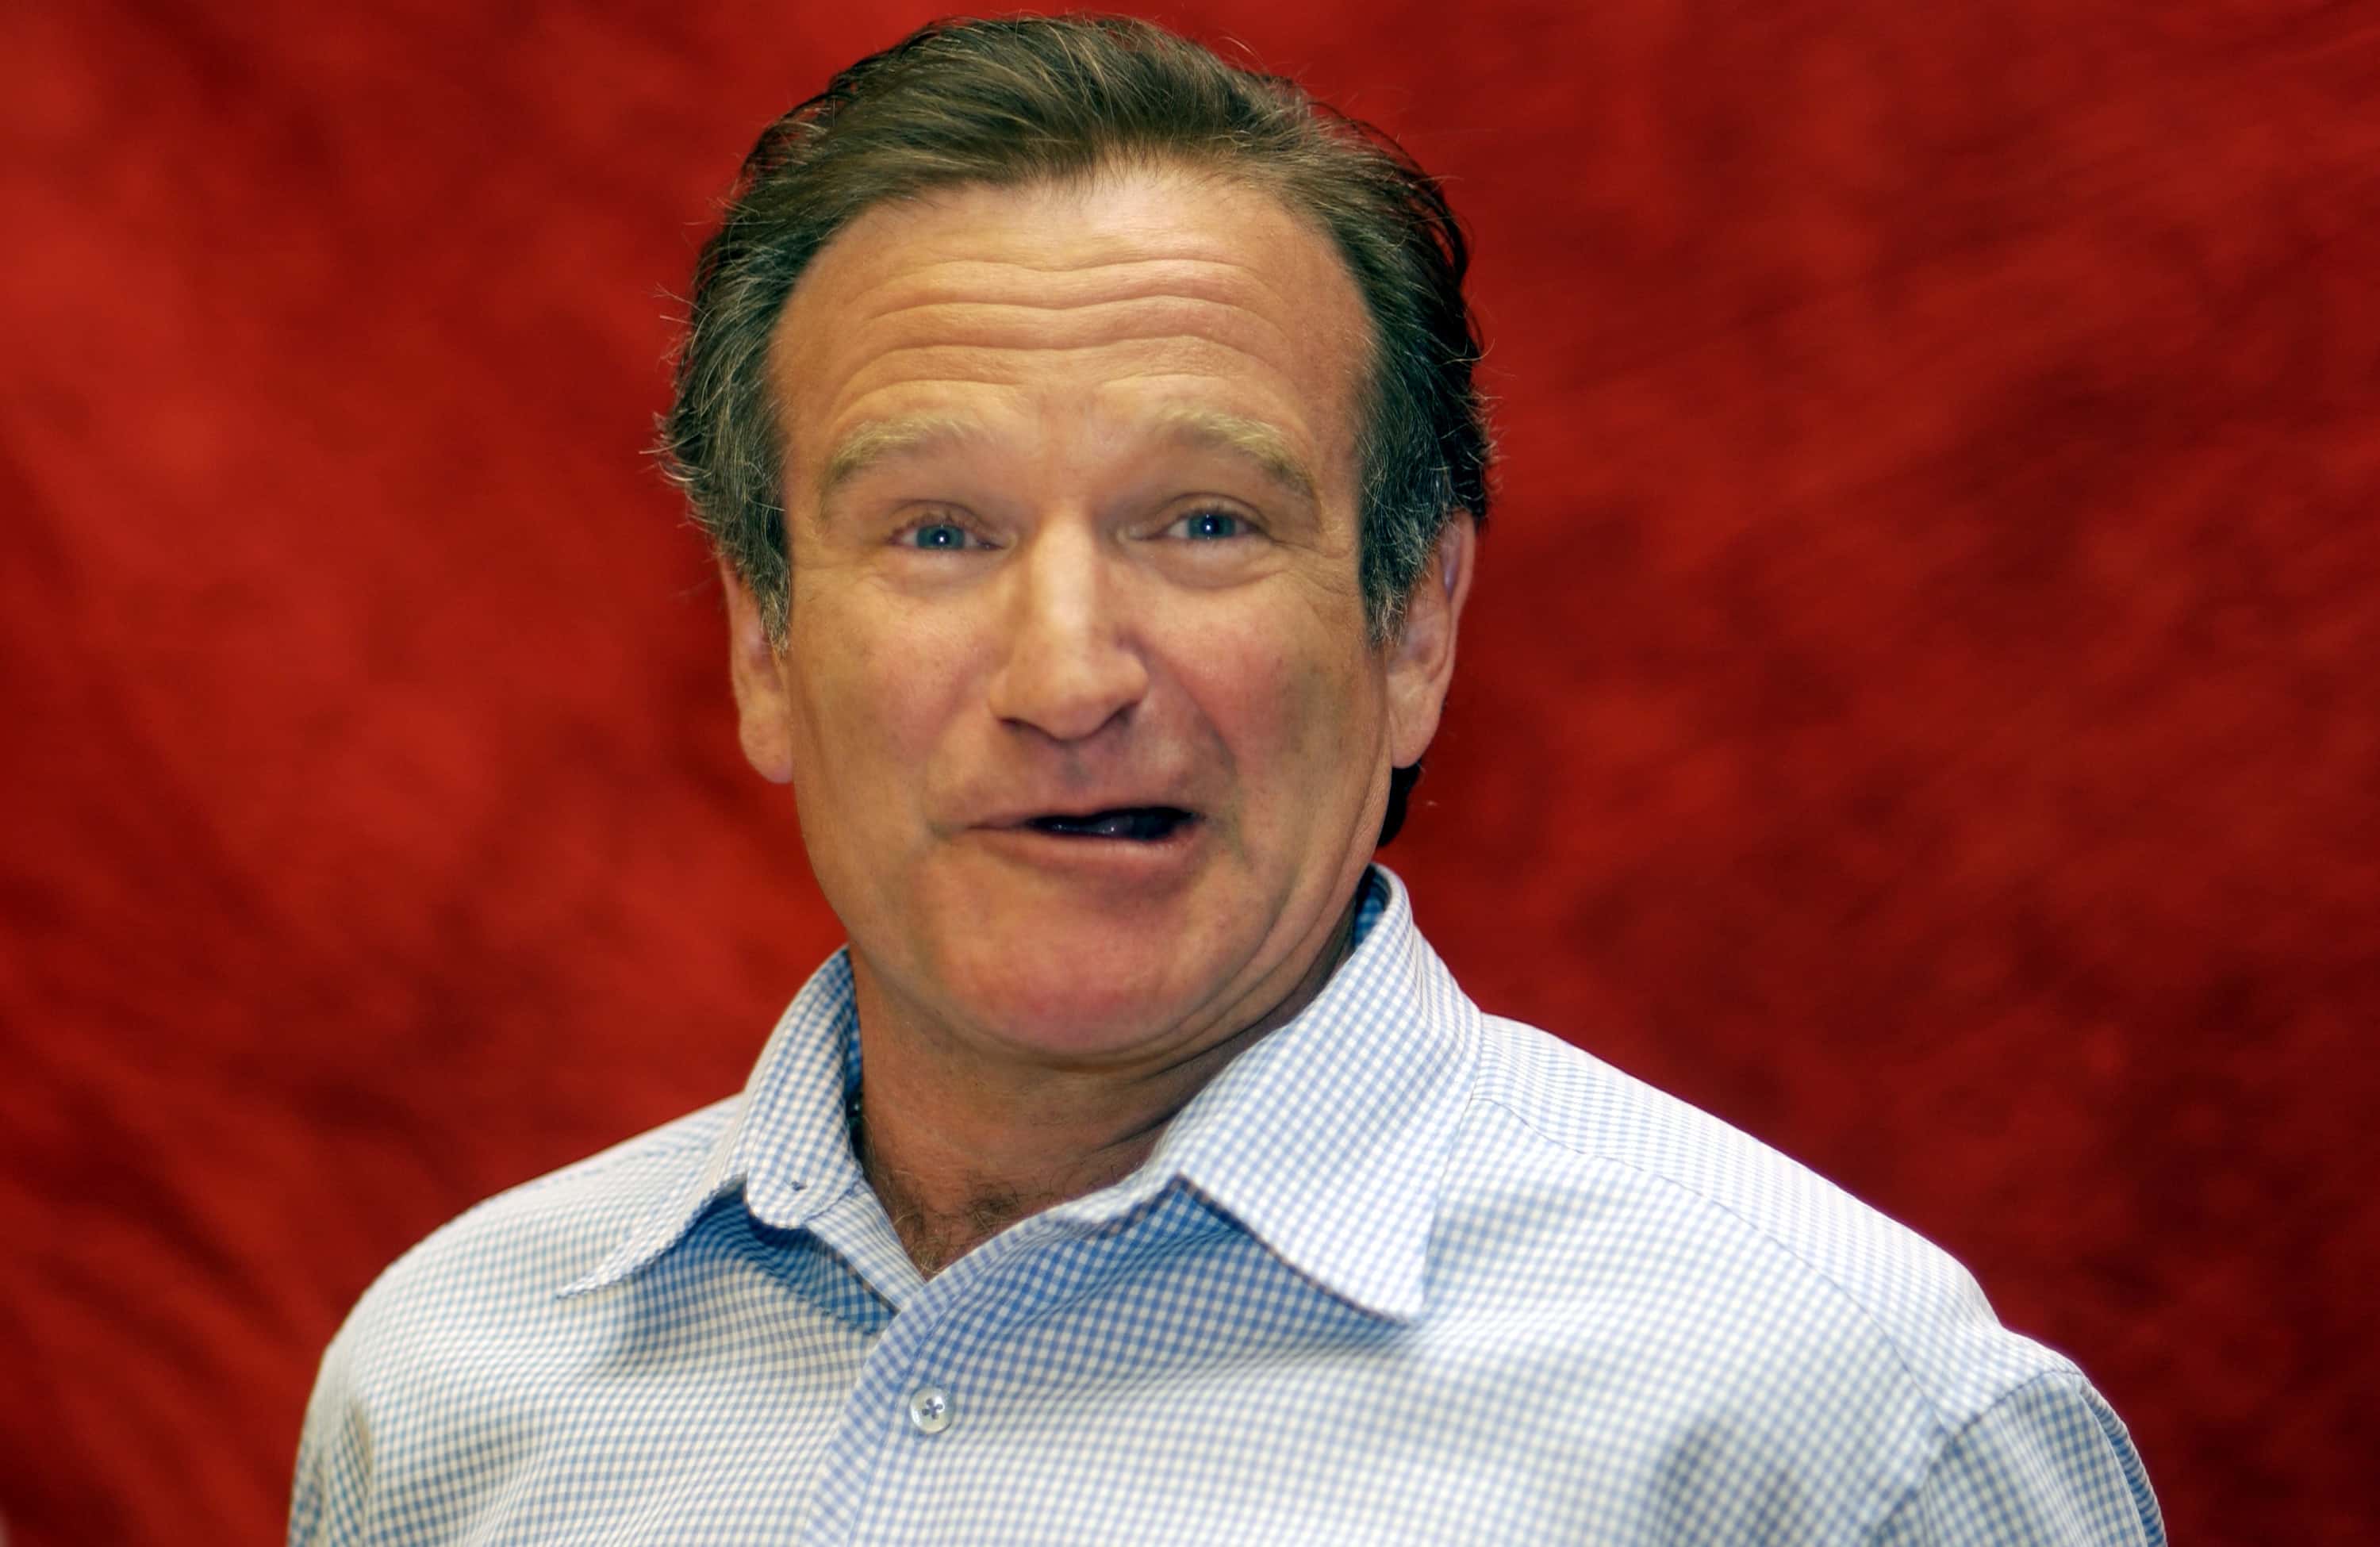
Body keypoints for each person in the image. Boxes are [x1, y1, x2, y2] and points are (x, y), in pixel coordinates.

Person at [290, 16, 2163, 1544]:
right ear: (765, 644)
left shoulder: (1834, 1432)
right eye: (938, 531)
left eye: (1204, 521)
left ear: (1413, 630)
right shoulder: (453, 1390)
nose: (1069, 677)